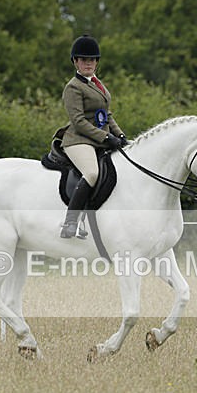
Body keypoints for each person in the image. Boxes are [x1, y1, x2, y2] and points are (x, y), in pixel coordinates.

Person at [56, 34, 127, 239]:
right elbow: (78, 121)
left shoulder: (97, 84)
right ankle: (70, 223)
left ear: (96, 62)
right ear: (76, 62)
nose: (88, 63)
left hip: (97, 138)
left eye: (92, 59)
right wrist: (105, 138)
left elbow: (106, 114)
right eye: (84, 60)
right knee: (92, 173)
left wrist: (120, 135)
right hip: (78, 139)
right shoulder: (73, 87)